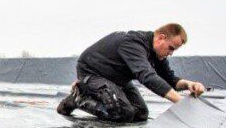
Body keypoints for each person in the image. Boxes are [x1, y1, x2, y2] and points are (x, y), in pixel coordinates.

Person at [57, 23, 206, 122]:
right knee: (123, 113)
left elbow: (170, 79)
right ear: (161, 38)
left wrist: (189, 84)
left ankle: (98, 96)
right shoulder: (134, 44)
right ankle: (78, 97)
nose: (171, 53)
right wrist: (181, 102)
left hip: (117, 78)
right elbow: (146, 76)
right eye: (171, 48)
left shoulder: (157, 54)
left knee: (141, 113)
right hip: (93, 73)